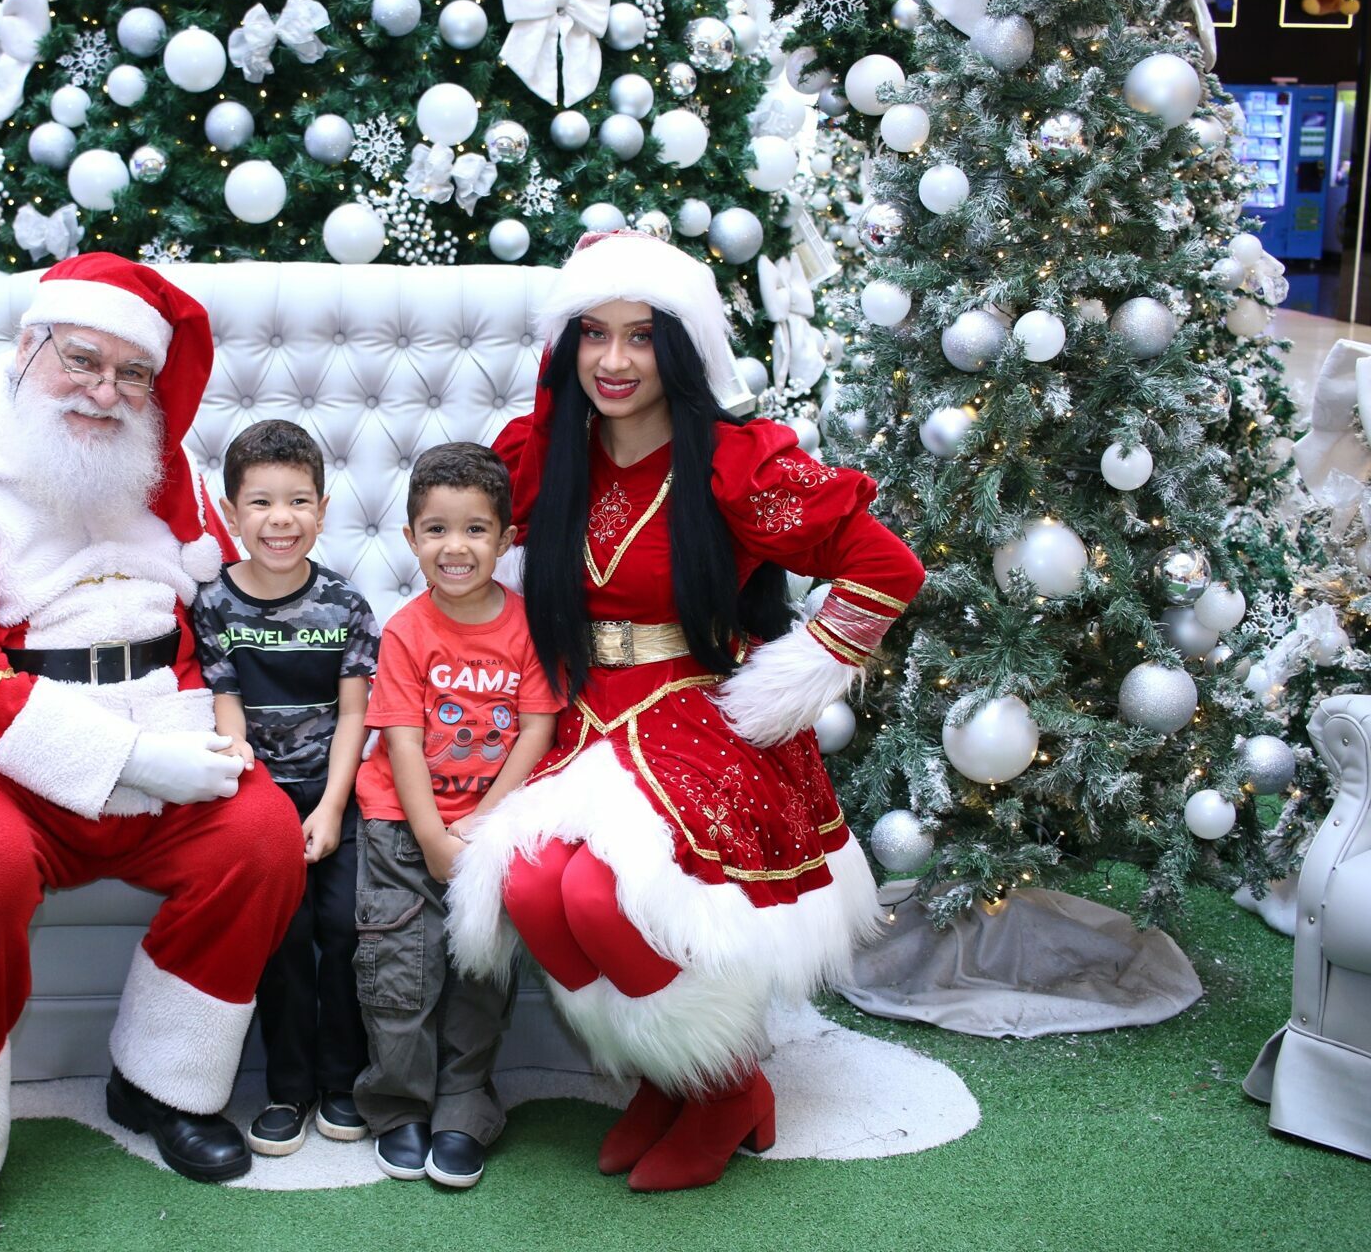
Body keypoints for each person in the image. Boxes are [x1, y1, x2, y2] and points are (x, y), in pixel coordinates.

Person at [444, 232, 926, 1192]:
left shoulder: (735, 463)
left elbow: (888, 566)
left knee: (598, 893)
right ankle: (668, 1075)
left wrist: (798, 677)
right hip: (580, 712)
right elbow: (464, 550)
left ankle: (725, 1087)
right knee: (531, 887)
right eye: (593, 334)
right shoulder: (545, 455)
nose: (613, 360)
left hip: (698, 713)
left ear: (679, 347)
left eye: (639, 337)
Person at [0, 254, 306, 1252]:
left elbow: (202, 615)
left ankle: (162, 1083)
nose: (106, 391)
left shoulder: (157, 462)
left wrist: (206, 724)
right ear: (28, 347)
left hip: (153, 723)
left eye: (132, 372)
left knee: (262, 838)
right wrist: (133, 760)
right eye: (83, 360)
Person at [350, 443, 560, 1189]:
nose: (456, 546)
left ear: (506, 540)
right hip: (400, 830)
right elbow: (402, 740)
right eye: (436, 529)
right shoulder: (406, 629)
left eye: (476, 529)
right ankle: (399, 1106)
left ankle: (464, 1108)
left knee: (479, 975)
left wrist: (478, 826)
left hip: (489, 832)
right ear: (411, 539)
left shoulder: (529, 626)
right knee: (400, 975)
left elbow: (536, 729)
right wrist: (433, 837)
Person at [192, 419, 381, 1156]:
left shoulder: (346, 606)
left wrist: (331, 809)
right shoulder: (214, 604)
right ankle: (288, 1088)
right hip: (257, 799)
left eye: (299, 501)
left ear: (323, 511)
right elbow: (227, 707)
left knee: (345, 927)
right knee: (285, 934)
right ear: (232, 512)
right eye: (261, 502)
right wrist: (264, 801)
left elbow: (355, 716)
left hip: (335, 792)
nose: (281, 519)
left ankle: (344, 1081)